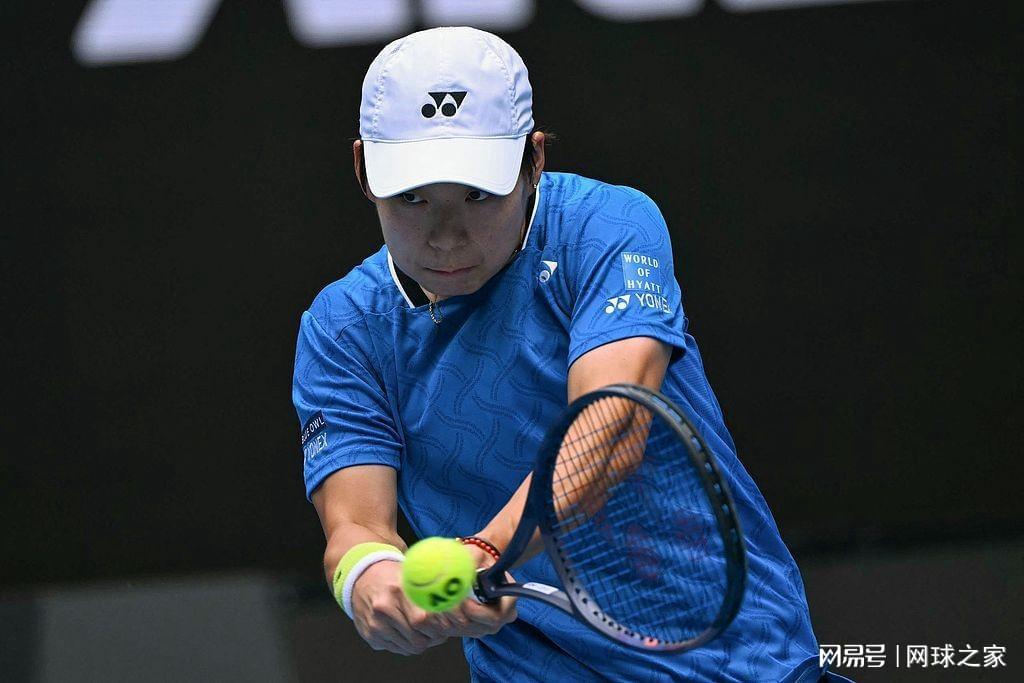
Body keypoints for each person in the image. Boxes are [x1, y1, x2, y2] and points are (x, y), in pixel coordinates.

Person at [292, 26, 829, 682]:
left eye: (477, 195)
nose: (445, 236)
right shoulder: (342, 327)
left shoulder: (607, 226)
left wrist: (485, 549)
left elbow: (609, 428)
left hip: (738, 660)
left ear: (535, 159)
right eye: (413, 197)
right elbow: (354, 526)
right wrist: (370, 579)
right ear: (362, 171)